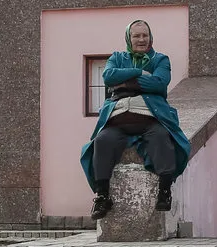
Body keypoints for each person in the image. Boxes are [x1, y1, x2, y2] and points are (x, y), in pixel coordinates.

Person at [80, 20, 191, 220]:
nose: (141, 40)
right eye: (136, 36)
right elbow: (108, 76)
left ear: (150, 38)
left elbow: (159, 82)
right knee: (102, 141)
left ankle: (165, 191)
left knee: (161, 138)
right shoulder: (117, 57)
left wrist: (124, 84)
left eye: (144, 35)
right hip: (118, 120)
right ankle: (102, 195)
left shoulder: (160, 59)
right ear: (128, 38)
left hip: (150, 118)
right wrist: (139, 73)